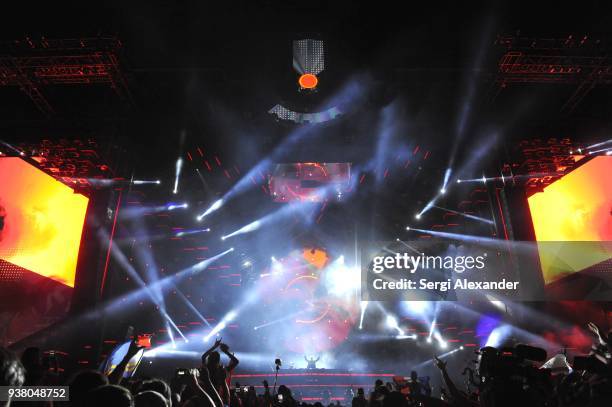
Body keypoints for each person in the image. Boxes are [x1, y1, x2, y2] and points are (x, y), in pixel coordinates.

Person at [201, 338, 239, 406]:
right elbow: (236, 362)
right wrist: (226, 351)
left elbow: (203, 357)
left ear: (209, 359)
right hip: (216, 398)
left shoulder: (207, 369)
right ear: (218, 360)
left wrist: (214, 346)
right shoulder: (221, 370)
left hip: (206, 397)